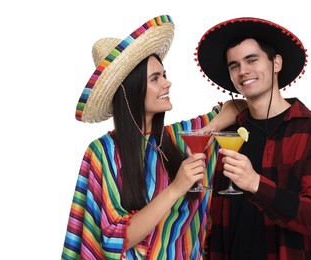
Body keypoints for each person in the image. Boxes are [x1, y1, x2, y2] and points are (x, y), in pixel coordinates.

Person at [61, 15, 243, 260]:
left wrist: (209, 129)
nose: (167, 83)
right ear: (130, 90)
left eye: (164, 74)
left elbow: (238, 107)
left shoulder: (181, 137)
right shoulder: (104, 151)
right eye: (155, 78)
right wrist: (177, 187)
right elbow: (115, 239)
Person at [196, 17, 311, 259]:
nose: (243, 72)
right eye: (234, 65)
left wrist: (255, 184)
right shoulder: (228, 132)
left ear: (276, 63)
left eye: (252, 60)